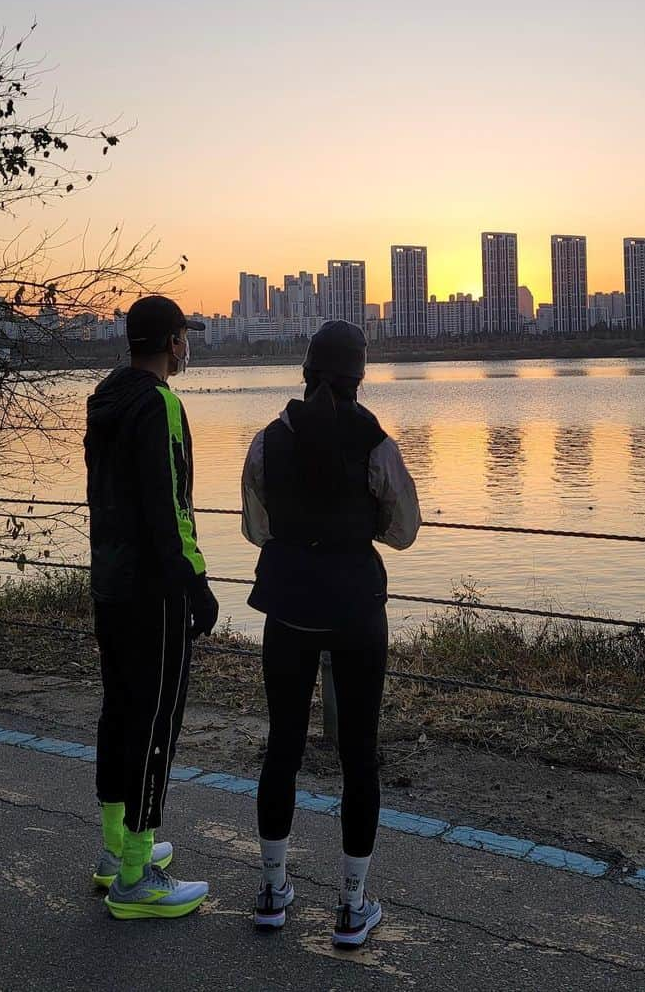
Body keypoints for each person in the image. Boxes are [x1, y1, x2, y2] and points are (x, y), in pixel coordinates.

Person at [240, 319, 421, 943]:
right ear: (360, 374)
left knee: (282, 748)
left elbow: (255, 529)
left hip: (287, 605)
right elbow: (404, 531)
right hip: (356, 609)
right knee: (359, 755)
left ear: (307, 369)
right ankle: (351, 904)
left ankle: (271, 890)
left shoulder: (267, 441)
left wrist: (300, 542)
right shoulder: (376, 442)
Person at [85, 294, 220, 919]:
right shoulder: (160, 403)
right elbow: (172, 505)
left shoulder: (104, 400)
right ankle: (137, 878)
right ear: (172, 343)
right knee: (156, 721)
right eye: (184, 337)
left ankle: (117, 850)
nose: (186, 346)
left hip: (110, 580)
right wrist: (194, 581)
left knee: (119, 711)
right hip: (152, 591)